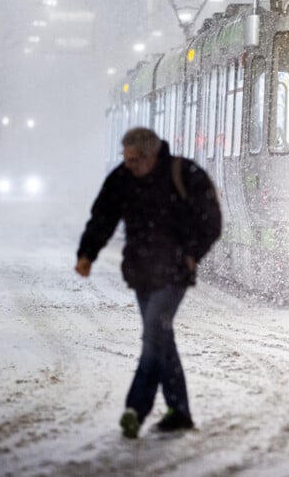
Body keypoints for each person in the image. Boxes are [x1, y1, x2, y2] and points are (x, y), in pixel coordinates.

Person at [74, 127, 222, 439]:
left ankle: (135, 409)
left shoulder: (184, 173)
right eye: (125, 159)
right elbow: (103, 217)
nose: (128, 165)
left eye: (134, 160)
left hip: (174, 274)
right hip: (141, 273)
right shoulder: (123, 178)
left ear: (151, 155)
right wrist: (87, 253)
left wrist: (192, 253)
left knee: (154, 333)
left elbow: (211, 219)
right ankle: (179, 411)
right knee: (161, 337)